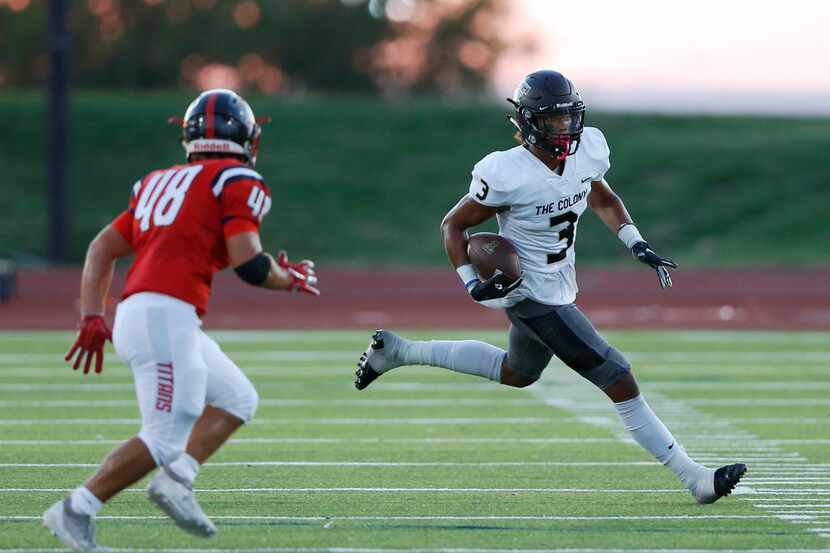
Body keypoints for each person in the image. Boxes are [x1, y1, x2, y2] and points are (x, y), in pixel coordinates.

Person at [355, 70, 745, 504]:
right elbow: (453, 225)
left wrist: (637, 244)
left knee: (518, 372)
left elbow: (602, 198)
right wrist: (470, 282)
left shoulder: (587, 151)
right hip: (529, 293)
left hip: (559, 284)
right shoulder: (506, 172)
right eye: (553, 121)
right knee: (619, 378)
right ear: (528, 123)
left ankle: (398, 352)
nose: (564, 129)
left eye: (567, 118)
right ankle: (695, 478)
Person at [44, 89, 319, 551]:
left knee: (237, 397)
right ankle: (76, 509)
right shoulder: (236, 179)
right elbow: (249, 264)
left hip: (153, 314)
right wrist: (286, 278)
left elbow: (101, 249)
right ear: (249, 139)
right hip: (163, 317)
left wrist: (93, 314)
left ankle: (177, 481)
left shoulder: (157, 181)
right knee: (163, 436)